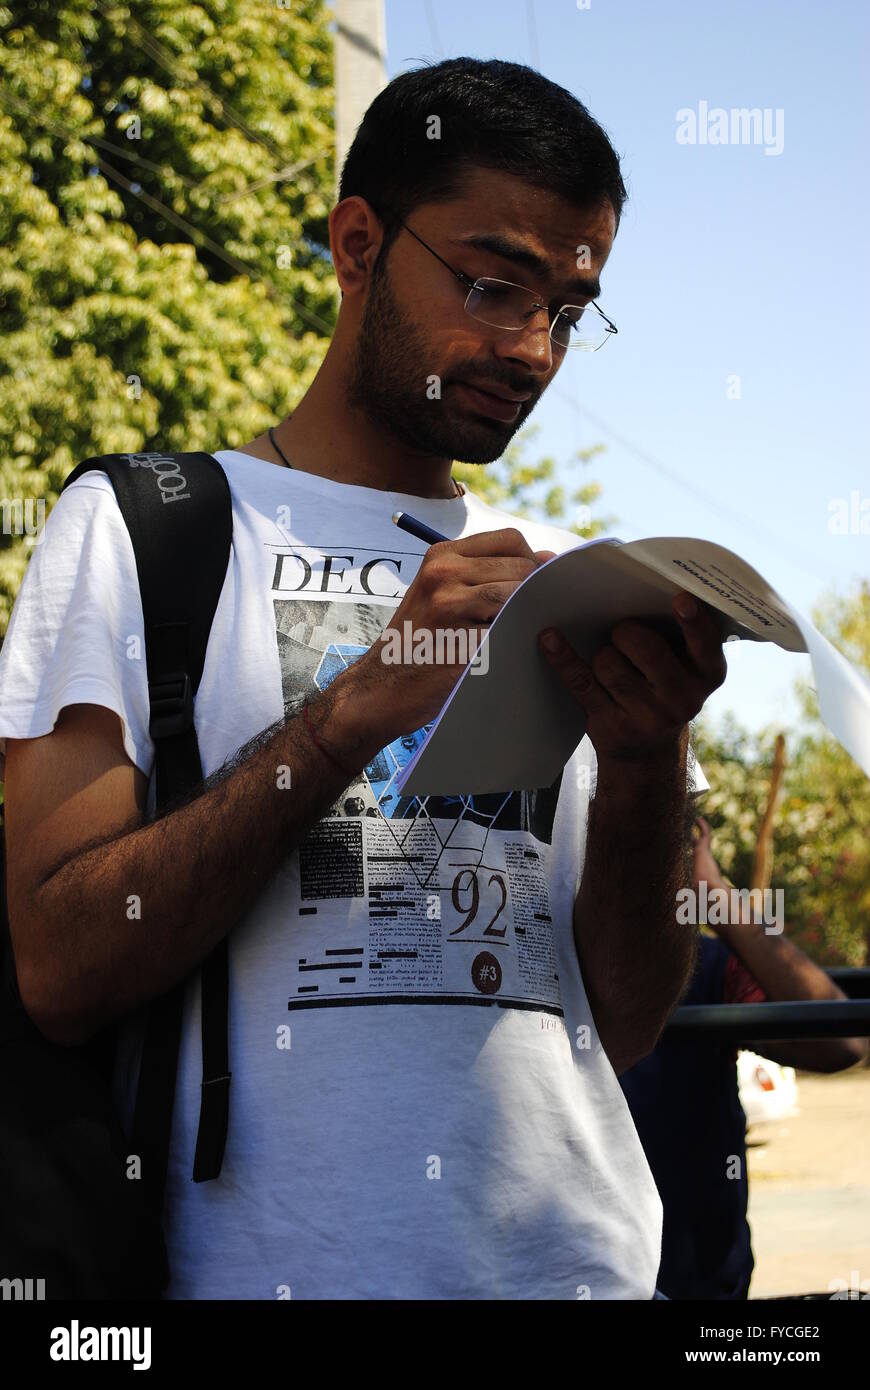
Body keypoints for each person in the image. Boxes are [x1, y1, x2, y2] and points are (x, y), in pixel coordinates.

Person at [0, 59, 728, 1299]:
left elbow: (636, 1011)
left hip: (585, 1272)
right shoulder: (147, 527)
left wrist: (651, 758)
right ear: (356, 243)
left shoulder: (569, 584)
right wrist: (347, 717)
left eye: (569, 305)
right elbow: (60, 967)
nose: (531, 348)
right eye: (495, 284)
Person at [619, 816, 868, 1300]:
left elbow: (841, 1041)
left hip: (703, 1278)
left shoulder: (705, 965)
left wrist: (713, 894)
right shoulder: (538, 952)